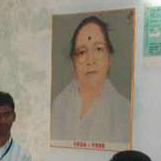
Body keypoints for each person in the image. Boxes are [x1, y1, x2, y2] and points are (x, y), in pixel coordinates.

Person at [51, 15, 130, 147]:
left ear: (109, 58)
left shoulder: (124, 111)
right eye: (82, 52)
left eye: (98, 49)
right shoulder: (57, 106)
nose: (90, 61)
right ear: (74, 62)